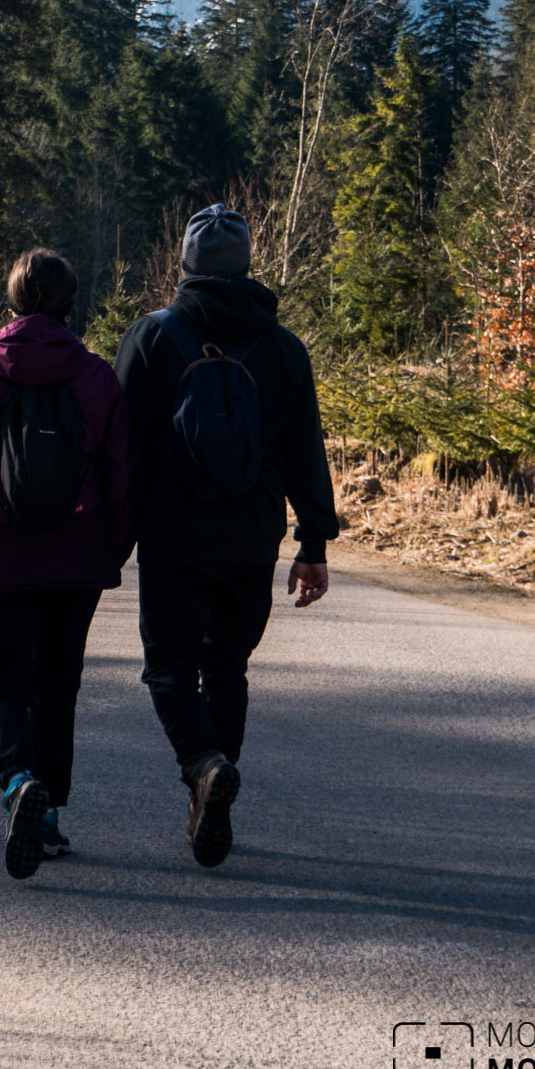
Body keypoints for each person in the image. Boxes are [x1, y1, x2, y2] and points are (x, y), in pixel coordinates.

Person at [114, 202, 338, 870]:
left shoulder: (152, 336)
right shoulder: (282, 346)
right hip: (252, 531)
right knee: (227, 666)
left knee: (169, 668)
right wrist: (314, 544)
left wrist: (110, 535)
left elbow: (119, 445)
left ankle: (205, 767)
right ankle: (215, 788)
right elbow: (305, 449)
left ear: (185, 263)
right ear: (246, 266)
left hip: (173, 531)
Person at [0, 249, 133, 880]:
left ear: (10, 300)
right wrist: (111, 551)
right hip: (75, 553)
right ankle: (47, 818)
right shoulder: (95, 377)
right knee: (56, 686)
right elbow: (125, 475)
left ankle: (17, 783)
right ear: (72, 304)